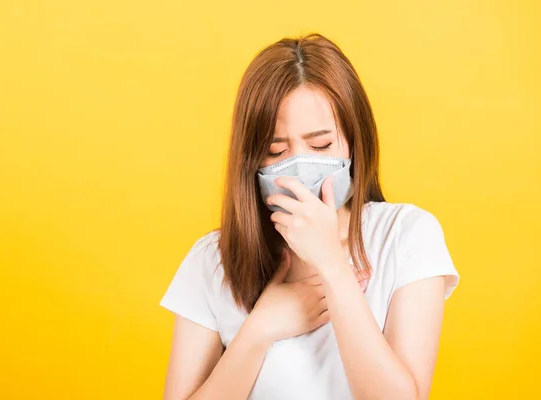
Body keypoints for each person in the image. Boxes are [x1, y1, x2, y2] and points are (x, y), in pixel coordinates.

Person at [159, 33, 460, 400]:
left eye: (320, 145)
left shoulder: (407, 235)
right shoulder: (211, 260)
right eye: (275, 150)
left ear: (353, 140)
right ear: (251, 159)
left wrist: (333, 266)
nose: (299, 165)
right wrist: (259, 331)